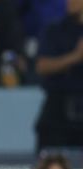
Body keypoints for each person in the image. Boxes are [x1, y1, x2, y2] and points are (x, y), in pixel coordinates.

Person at [34, 4, 83, 151]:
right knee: (49, 159)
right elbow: (41, 67)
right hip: (58, 107)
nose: (69, 2)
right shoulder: (55, 29)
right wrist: (75, 57)